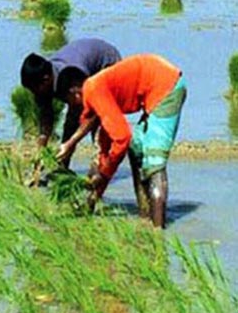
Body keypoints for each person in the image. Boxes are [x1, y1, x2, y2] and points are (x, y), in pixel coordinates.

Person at [56, 54, 187, 228]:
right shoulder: (96, 92)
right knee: (136, 149)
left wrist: (103, 174)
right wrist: (93, 198)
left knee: (154, 162)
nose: (71, 107)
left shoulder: (94, 90)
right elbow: (105, 147)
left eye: (69, 102)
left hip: (167, 88)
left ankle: (157, 233)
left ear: (75, 93)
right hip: (156, 88)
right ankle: (145, 216)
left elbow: (121, 138)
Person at [20, 38, 121, 167]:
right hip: (83, 62)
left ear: (46, 80)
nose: (34, 94)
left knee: (98, 125)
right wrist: (42, 147)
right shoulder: (42, 84)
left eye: (34, 89)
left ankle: (101, 170)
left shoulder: (71, 77)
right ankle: (63, 167)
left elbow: (90, 115)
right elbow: (46, 115)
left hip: (107, 64)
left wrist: (71, 142)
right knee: (71, 124)